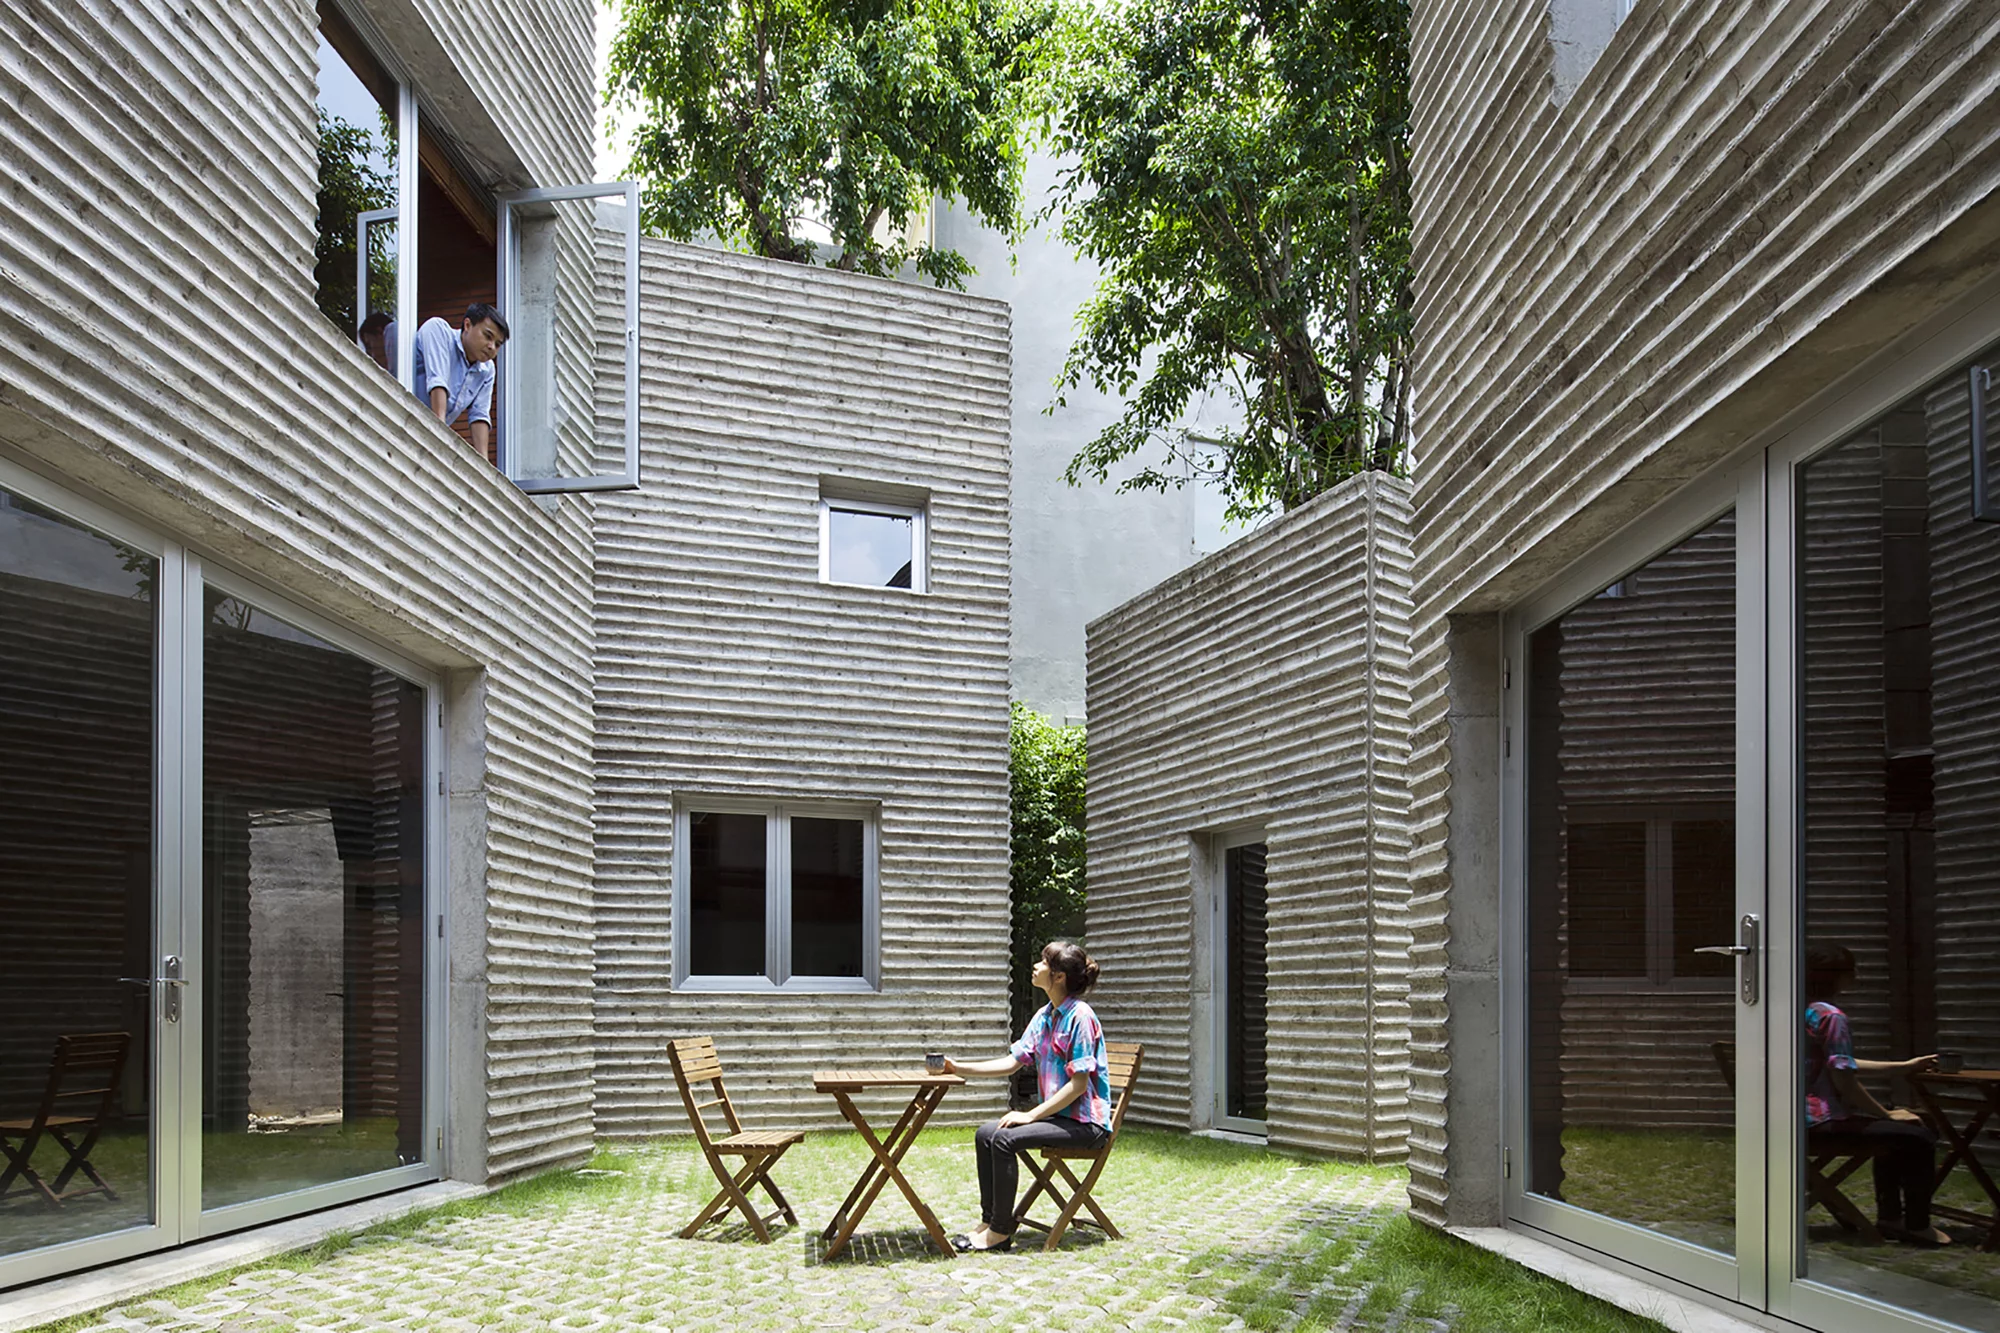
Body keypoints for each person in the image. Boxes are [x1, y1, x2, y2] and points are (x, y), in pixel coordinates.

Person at [943, 940, 1112, 1252]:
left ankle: (1000, 1233)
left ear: (1059, 976)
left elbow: (1078, 1086)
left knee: (1005, 1139)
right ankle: (990, 1221)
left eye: (1043, 962)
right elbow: (1012, 1063)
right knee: (986, 1133)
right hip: (1060, 1119)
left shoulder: (1081, 1017)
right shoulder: (1045, 1015)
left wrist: (1030, 1114)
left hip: (1086, 1125)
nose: (1036, 966)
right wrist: (958, 1067)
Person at [1804, 942, 1948, 1246]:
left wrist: (1902, 1067)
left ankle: (1892, 1218)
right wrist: (1884, 1113)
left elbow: (1837, 1062)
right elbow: (1843, 1079)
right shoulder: (1832, 1017)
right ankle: (1914, 1224)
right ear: (1841, 976)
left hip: (1788, 1119)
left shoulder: (1799, 1011)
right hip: (1819, 1122)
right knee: (1918, 1134)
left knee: (1900, 1131)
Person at [411, 303, 508, 455]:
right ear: (467, 325)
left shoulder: (486, 370)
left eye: (497, 344)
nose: (492, 347)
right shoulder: (438, 330)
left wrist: (484, 470)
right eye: (488, 336)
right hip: (404, 420)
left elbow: (479, 415)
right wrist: (439, 436)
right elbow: (438, 383)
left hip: (425, 440)